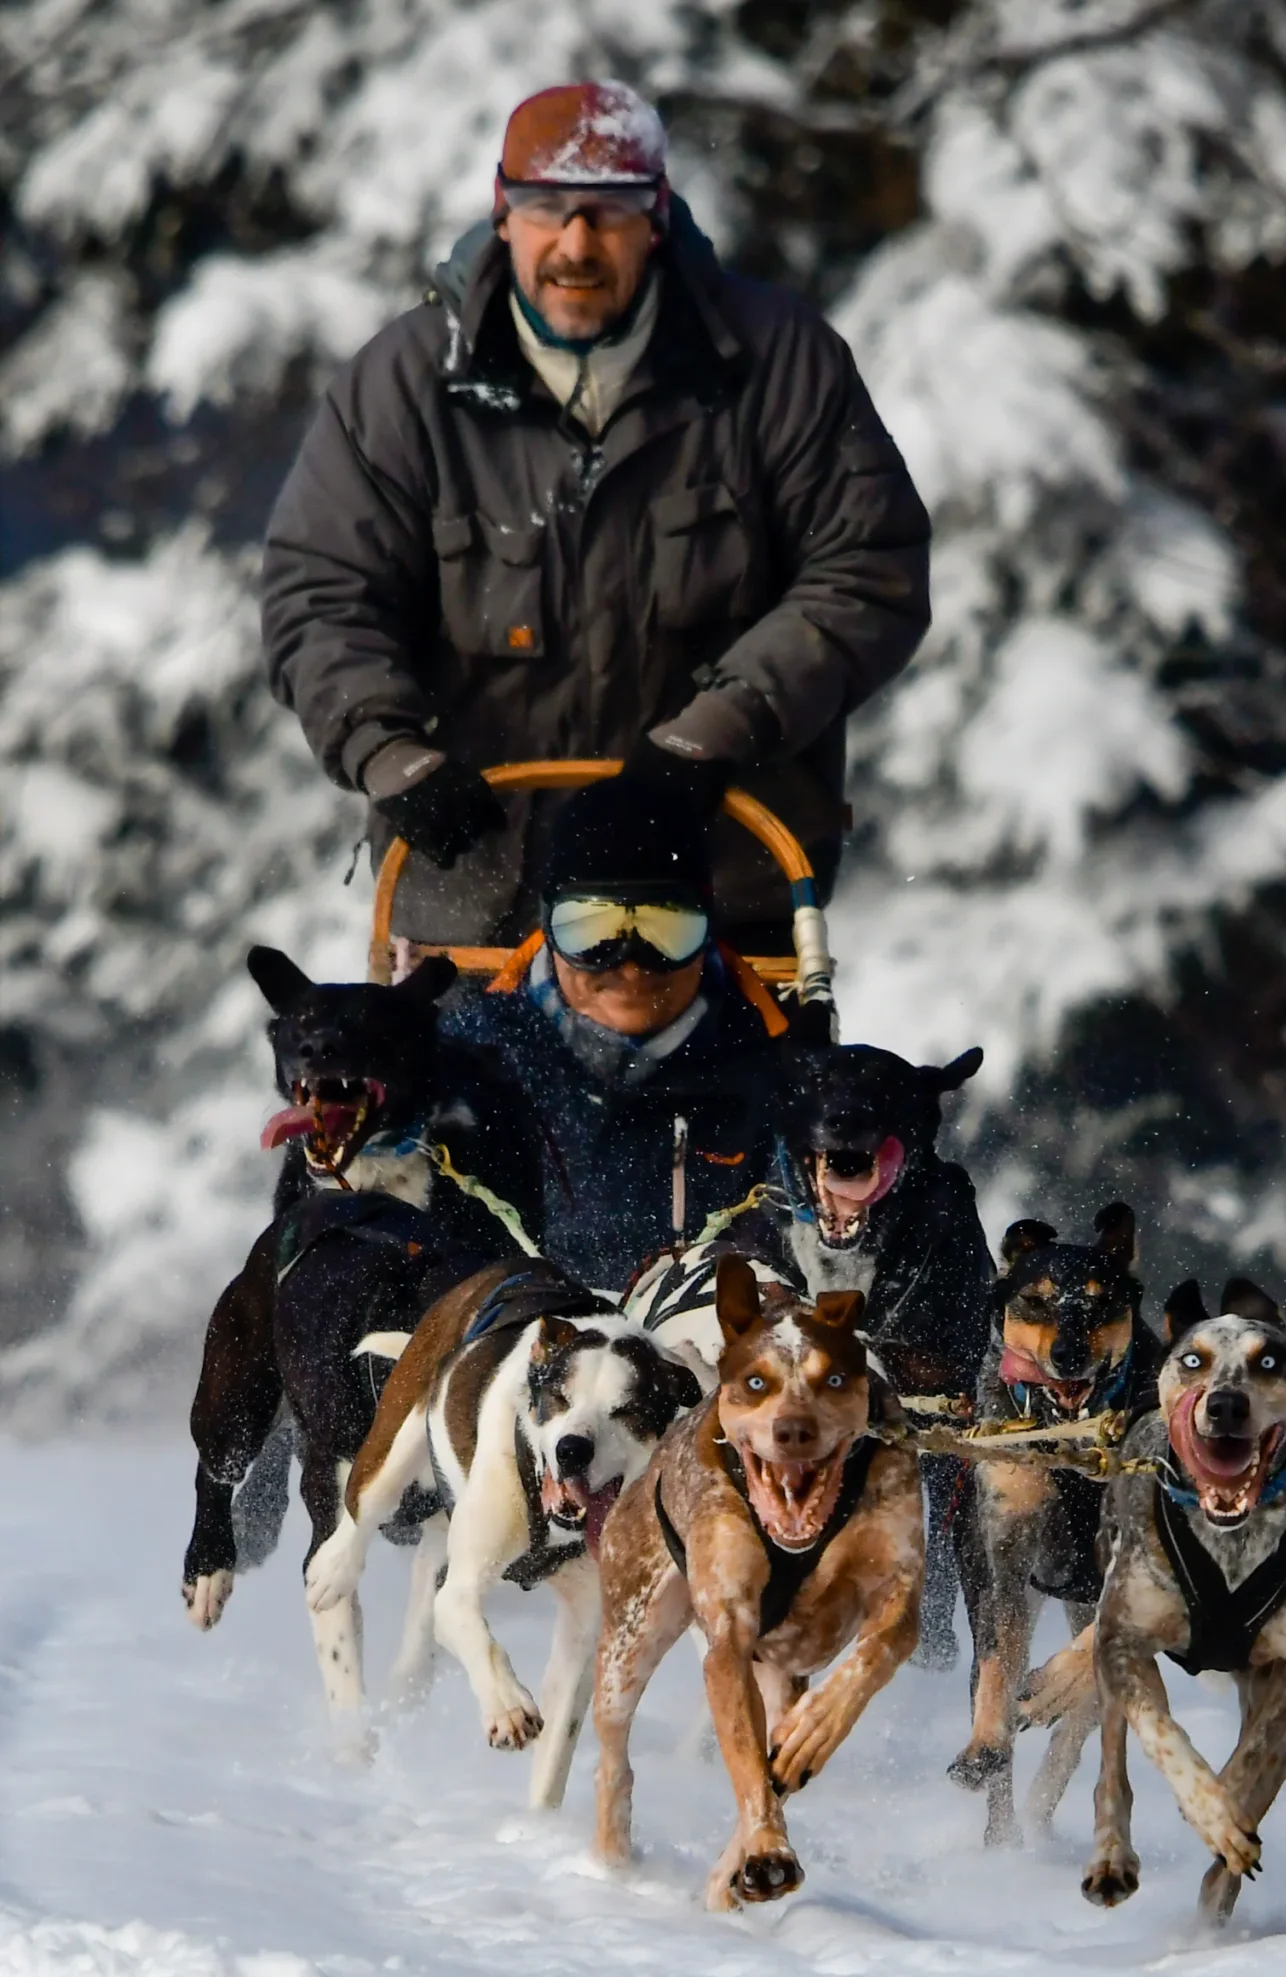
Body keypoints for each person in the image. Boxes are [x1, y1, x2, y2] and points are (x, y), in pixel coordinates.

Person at [261, 79, 931, 952]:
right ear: (503, 216)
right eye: (547, 210)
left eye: (607, 215)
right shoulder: (398, 388)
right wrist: (392, 756)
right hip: (478, 917)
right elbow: (319, 598)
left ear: (655, 219)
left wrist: (707, 742)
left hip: (717, 901)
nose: (576, 244)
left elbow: (866, 570)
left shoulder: (779, 364)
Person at [441, 766, 791, 1290]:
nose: (630, 966)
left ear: (708, 926)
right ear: (547, 926)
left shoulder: (776, 1075)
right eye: (592, 932)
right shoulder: (463, 1064)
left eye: (665, 931)